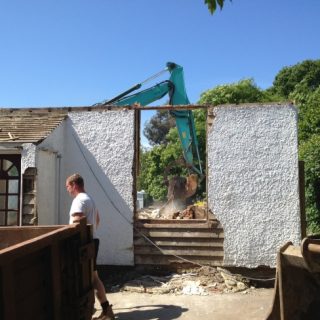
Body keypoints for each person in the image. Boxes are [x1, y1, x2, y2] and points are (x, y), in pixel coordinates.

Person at [66, 173, 115, 320]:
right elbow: (97, 219)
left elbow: (77, 223)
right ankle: (106, 310)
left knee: (83, 279)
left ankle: (89, 310)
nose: (67, 190)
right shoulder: (89, 199)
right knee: (93, 278)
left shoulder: (79, 201)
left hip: (82, 246)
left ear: (74, 185)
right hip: (91, 242)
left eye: (67, 186)